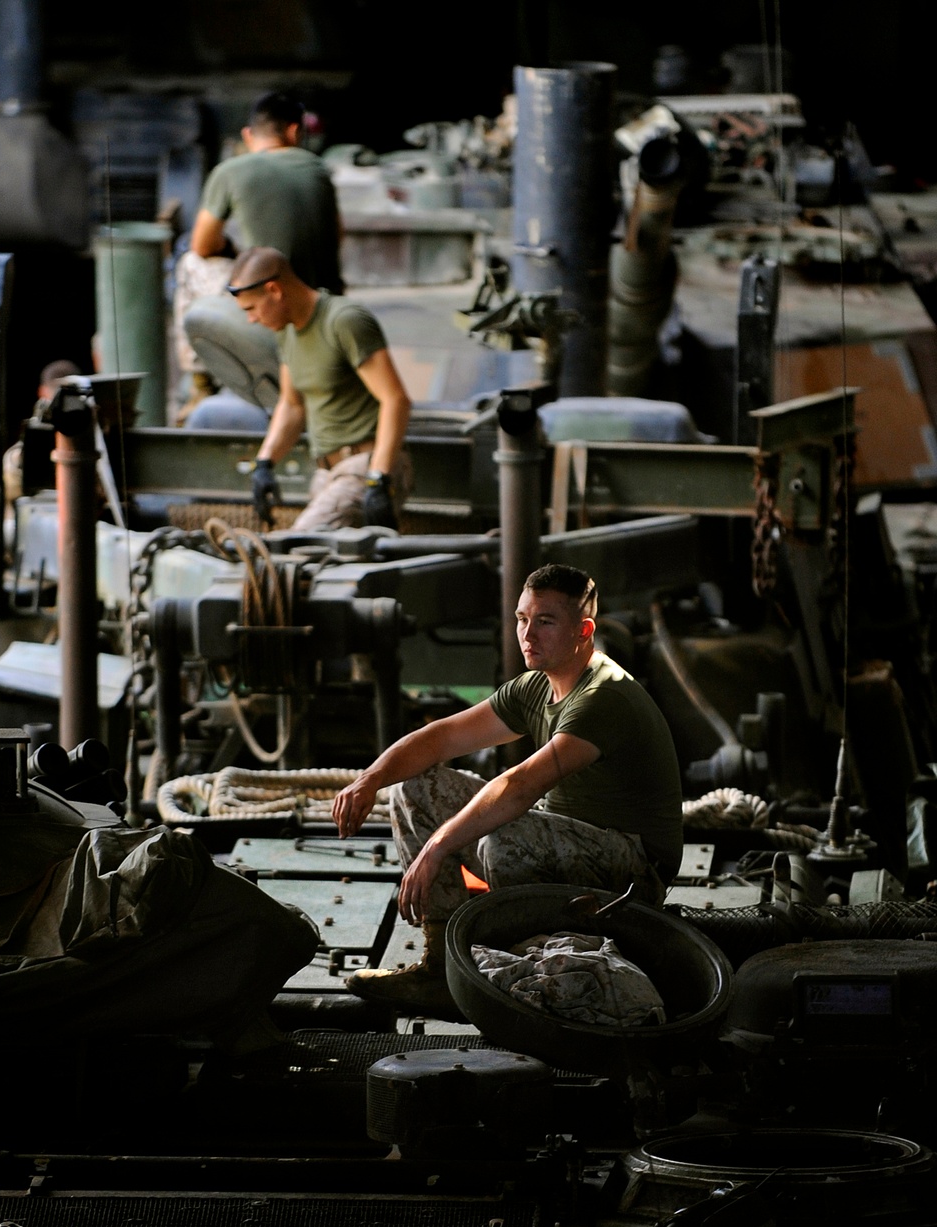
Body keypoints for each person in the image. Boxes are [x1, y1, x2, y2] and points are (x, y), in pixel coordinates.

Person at [331, 564, 684, 1019]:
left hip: (634, 873)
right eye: (521, 618)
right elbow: (442, 738)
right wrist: (371, 778)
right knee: (416, 788)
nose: (527, 634)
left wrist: (438, 846)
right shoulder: (537, 685)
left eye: (545, 621)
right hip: (574, 847)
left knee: (503, 841)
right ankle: (441, 967)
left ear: (584, 630)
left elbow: (519, 787)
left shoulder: (603, 697)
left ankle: (526, 966)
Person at [176, 91, 343, 413]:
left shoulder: (230, 170)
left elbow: (202, 244)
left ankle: (200, 383)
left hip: (273, 298)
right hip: (323, 299)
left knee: (191, 262)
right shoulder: (318, 168)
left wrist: (233, 250)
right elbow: (337, 235)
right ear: (295, 132)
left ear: (248, 135)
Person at [228, 245, 412, 529]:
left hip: (366, 466)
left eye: (251, 308)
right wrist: (264, 463)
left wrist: (379, 478)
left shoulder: (344, 321)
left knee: (299, 548)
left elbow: (395, 399)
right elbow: (291, 404)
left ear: (274, 290)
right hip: (327, 473)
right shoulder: (287, 332)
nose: (251, 319)